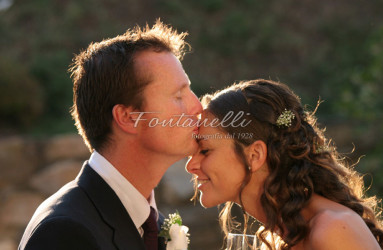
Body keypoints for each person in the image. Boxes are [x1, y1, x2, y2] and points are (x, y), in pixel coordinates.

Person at [19, 20, 202, 250]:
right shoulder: (64, 232)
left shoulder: (157, 227)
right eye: (178, 96)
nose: (198, 107)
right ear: (128, 118)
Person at [186, 79, 383, 249]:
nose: (190, 165)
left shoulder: (334, 229)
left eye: (205, 151)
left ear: (254, 155)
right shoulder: (278, 238)